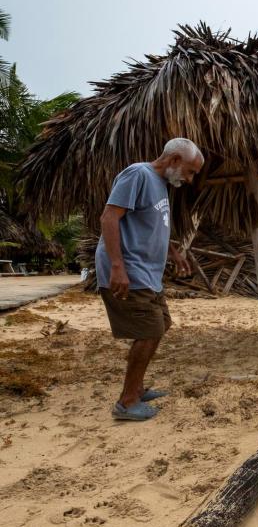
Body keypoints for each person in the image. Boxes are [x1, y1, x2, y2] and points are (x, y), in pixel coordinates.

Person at [95, 138, 204, 421]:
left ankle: (137, 388)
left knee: (160, 325)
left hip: (148, 273)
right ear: (175, 160)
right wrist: (117, 267)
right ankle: (127, 402)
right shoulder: (138, 174)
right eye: (190, 172)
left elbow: (153, 227)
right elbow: (109, 217)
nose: (191, 180)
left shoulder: (162, 187)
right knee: (149, 331)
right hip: (130, 270)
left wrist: (174, 254)